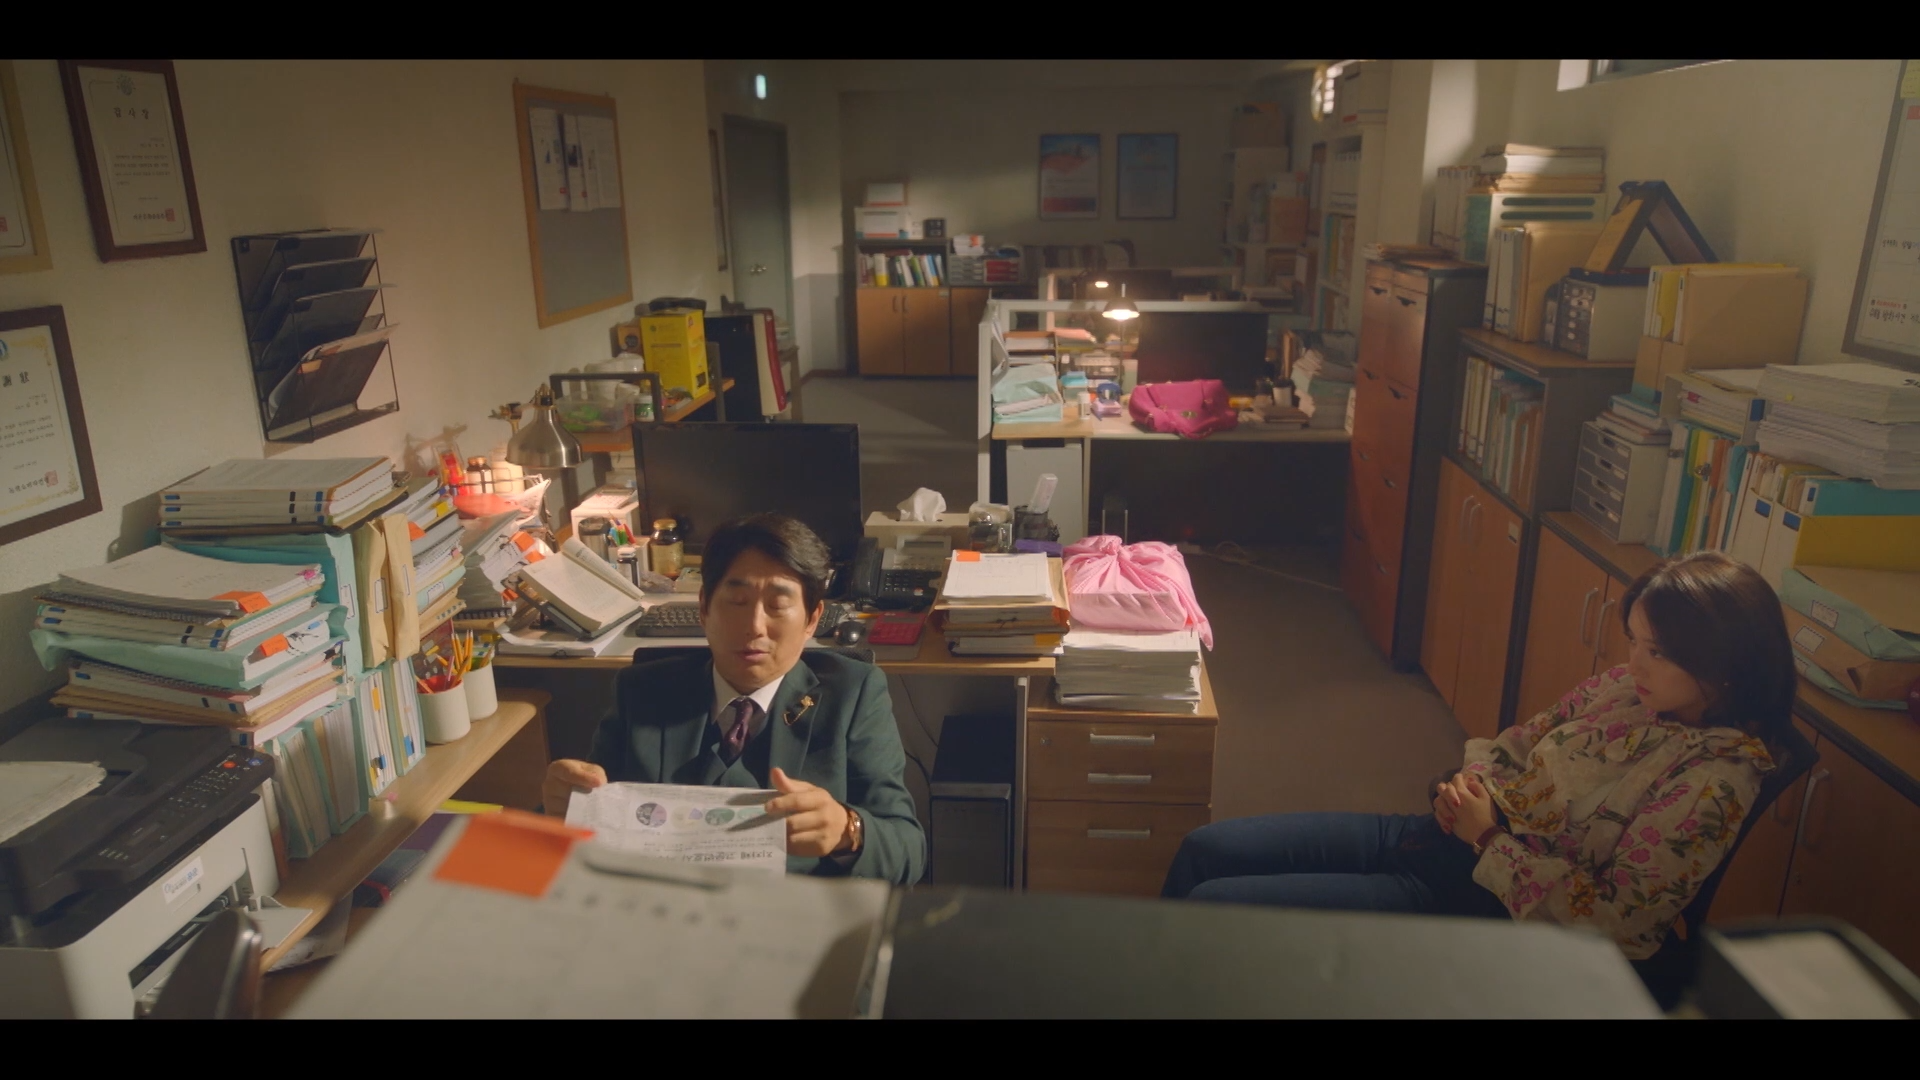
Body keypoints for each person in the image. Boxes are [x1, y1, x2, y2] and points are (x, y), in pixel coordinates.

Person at [1162, 551, 1789, 962]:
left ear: (1723, 666)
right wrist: (1470, 785)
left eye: (1658, 652)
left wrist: (1489, 839)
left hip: (1484, 902)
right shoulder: (1627, 692)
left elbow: (1618, 921)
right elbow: (1521, 740)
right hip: (1440, 834)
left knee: (1215, 908)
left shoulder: (1714, 781)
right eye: (1634, 642)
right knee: (1204, 850)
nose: (1634, 665)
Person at [543, 513, 926, 884]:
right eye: (737, 601)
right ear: (704, 608)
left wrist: (847, 830)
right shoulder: (643, 691)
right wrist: (562, 806)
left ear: (812, 619)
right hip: (668, 907)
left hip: (791, 913)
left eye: (778, 606)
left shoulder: (852, 695)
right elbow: (588, 821)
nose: (754, 626)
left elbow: (908, 851)